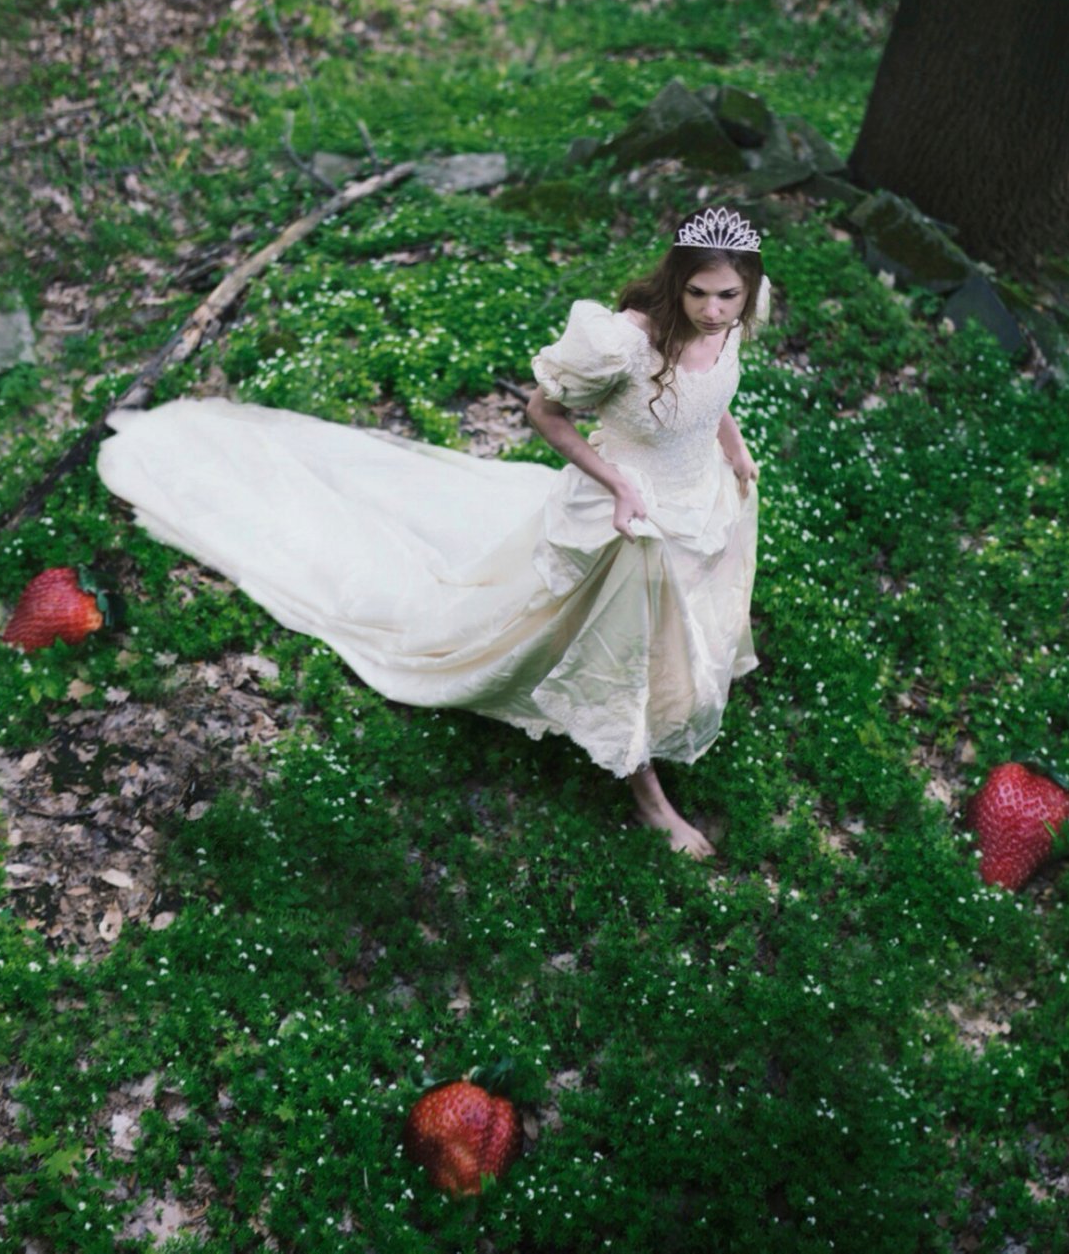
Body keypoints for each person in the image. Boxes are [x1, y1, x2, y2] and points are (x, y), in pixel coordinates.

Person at [94, 204, 769, 859]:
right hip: (631, 514)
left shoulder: (731, 321)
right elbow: (543, 412)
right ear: (676, 280)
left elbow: (709, 395)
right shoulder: (625, 341)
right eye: (698, 292)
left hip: (697, 499)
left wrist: (731, 446)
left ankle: (667, 697)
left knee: (674, 626)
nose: (713, 310)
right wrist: (618, 482)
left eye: (728, 295)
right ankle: (648, 794)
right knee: (621, 653)